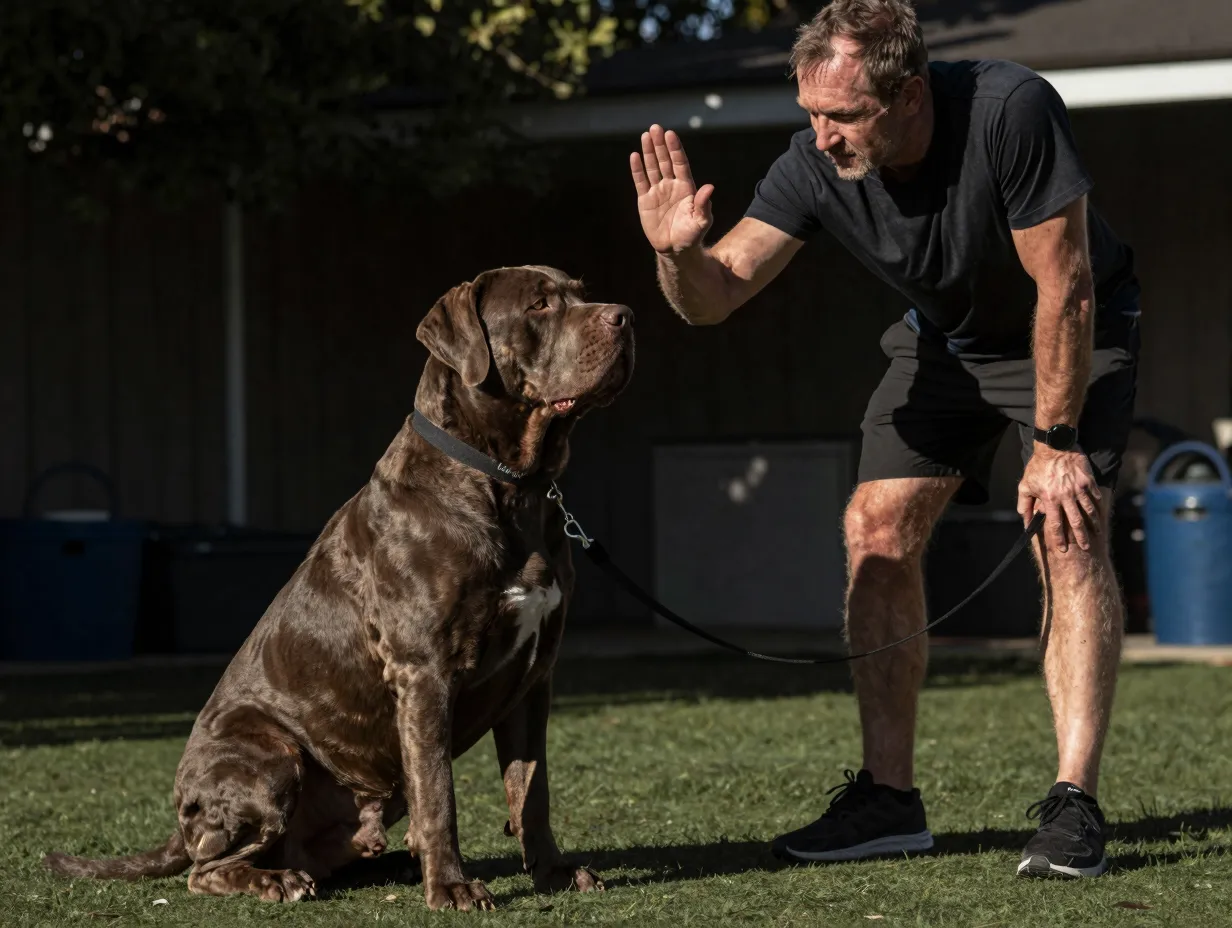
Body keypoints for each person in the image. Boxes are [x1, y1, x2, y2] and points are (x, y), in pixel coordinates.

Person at [629, 0, 1139, 879]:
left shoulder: (1009, 111)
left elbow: (1069, 283)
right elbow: (715, 297)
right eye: (811, 114)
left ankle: (1073, 803)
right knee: (875, 527)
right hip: (947, 344)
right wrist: (677, 254)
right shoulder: (814, 162)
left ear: (908, 96)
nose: (822, 136)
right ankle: (889, 800)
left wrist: (1054, 442)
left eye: (842, 116)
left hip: (1066, 329)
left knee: (1067, 527)